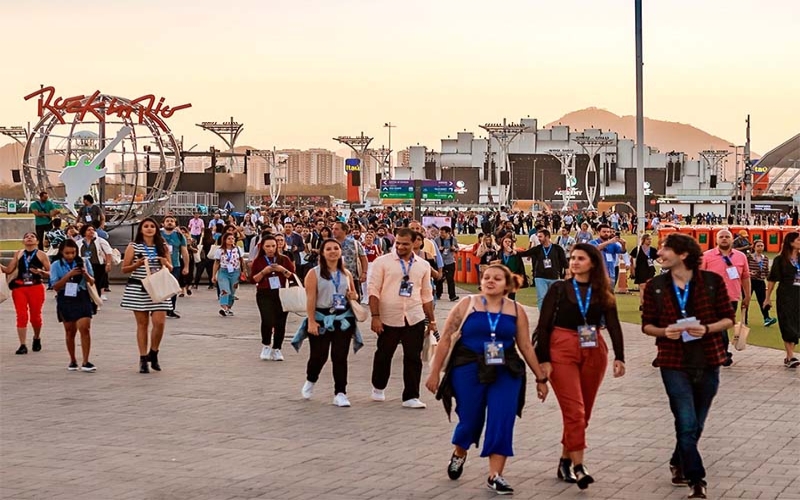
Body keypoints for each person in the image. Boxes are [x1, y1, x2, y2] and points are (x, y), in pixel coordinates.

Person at [425, 264, 549, 495]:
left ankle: (495, 475)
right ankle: (460, 451)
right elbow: (445, 339)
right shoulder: (467, 304)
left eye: (497, 278)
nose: (490, 281)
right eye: (487, 277)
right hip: (468, 367)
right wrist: (434, 373)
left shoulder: (516, 310)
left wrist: (540, 378)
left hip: (506, 369)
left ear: (507, 285)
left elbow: (524, 345)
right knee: (471, 419)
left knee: (502, 418)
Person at [641, 233, 735, 499]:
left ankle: (678, 460)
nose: (660, 253)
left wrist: (706, 328)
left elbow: (728, 318)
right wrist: (662, 332)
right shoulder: (656, 286)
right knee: (685, 420)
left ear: (683, 255)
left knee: (696, 423)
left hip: (708, 359)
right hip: (673, 361)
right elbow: (647, 324)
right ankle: (697, 479)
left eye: (665, 249)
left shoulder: (711, 283)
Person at [533, 243, 625, 490]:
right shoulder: (559, 288)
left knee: (584, 411)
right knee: (575, 410)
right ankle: (579, 466)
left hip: (594, 348)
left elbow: (614, 324)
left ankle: (565, 458)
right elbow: (543, 326)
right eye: (572, 258)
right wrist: (543, 361)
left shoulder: (602, 290)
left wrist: (620, 356)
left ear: (592, 263)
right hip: (562, 347)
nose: (574, 262)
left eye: (580, 258)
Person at [367, 228, 436, 408]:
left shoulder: (423, 265)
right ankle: (378, 386)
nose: (400, 246)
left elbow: (427, 295)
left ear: (415, 243)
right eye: (398, 243)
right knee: (384, 354)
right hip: (389, 316)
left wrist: (432, 321)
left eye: (405, 244)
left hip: (414, 316)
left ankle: (411, 396)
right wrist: (375, 316)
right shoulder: (382, 262)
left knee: (413, 357)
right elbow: (373, 291)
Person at [300, 239, 360, 406]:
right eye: (328, 249)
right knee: (319, 355)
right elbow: (310, 299)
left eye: (336, 248)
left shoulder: (346, 273)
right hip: (321, 316)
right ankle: (311, 379)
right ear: (322, 253)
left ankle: (340, 392)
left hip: (342, 318)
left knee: (340, 356)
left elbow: (354, 294)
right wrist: (311, 321)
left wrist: (352, 296)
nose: (333, 251)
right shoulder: (314, 273)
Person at [120, 217, 173, 374]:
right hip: (139, 288)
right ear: (141, 229)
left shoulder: (162, 246)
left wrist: (165, 262)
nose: (149, 229)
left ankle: (154, 351)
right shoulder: (133, 246)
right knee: (142, 324)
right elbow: (124, 268)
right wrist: (137, 264)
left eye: (152, 226)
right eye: (146, 226)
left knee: (159, 322)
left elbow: (170, 267)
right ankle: (143, 358)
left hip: (159, 288)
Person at [700, 229, 750, 367]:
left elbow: (745, 277)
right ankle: (723, 353)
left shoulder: (740, 257)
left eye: (727, 236)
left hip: (731, 297)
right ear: (716, 240)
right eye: (721, 237)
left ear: (732, 239)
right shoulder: (707, 256)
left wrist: (747, 295)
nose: (724, 239)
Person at [49, 239, 96, 372]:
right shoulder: (56, 265)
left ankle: (86, 361)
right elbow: (55, 286)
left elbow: (92, 281)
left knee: (85, 328)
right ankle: (72, 359)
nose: (70, 256)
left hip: (81, 295)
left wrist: (85, 274)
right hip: (66, 297)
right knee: (70, 331)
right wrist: (69, 275)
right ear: (62, 253)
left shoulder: (83, 262)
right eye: (67, 253)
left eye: (73, 253)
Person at [1, 232, 50, 354]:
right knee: (21, 315)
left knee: (35, 316)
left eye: (32, 236)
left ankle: (36, 337)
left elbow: (50, 272)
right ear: (23, 241)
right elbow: (9, 270)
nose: (29, 238)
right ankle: (22, 344)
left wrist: (40, 272)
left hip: (35, 286)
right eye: (26, 237)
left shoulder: (41, 254)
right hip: (19, 287)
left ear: (37, 241)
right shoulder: (19, 254)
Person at [250, 235, 295, 361]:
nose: (271, 249)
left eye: (273, 246)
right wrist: (265, 271)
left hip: (282, 293)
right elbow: (253, 279)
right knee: (267, 319)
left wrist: (282, 270)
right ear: (262, 247)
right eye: (268, 246)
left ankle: (277, 348)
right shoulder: (258, 261)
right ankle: (266, 345)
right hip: (264, 293)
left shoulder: (284, 259)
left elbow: (293, 277)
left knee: (280, 322)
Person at [764, 231, 800, 368]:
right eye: (798, 239)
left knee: (796, 324)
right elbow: (772, 279)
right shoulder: (780, 259)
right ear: (790, 242)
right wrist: (767, 298)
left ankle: (789, 356)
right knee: (787, 323)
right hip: (786, 294)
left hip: (798, 293)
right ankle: (791, 356)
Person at [518, 229, 568, 311]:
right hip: (540, 277)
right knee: (542, 297)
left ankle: (553, 316)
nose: (538, 239)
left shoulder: (557, 248)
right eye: (538, 237)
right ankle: (543, 317)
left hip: (554, 277)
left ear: (547, 237)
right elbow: (525, 253)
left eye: (540, 237)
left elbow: (564, 262)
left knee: (554, 298)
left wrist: (567, 274)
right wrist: (514, 251)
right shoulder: (538, 248)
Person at [161, 215, 190, 319]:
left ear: (175, 224)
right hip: (159, 265)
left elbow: (184, 251)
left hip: (175, 265)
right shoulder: (158, 234)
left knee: (173, 288)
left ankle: (170, 309)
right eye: (167, 221)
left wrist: (186, 266)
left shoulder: (179, 236)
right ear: (163, 223)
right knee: (160, 287)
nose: (169, 223)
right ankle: (157, 309)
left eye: (172, 221)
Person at [333, 222, 368, 302]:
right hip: (336, 280)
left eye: (336, 229)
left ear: (345, 231)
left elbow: (363, 258)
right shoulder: (330, 244)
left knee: (355, 304)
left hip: (353, 278)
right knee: (339, 307)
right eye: (333, 229)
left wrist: (364, 273)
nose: (333, 231)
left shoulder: (354, 243)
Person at [212, 233, 244, 317]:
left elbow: (241, 260)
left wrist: (243, 271)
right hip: (223, 271)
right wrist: (213, 275)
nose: (231, 240)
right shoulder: (220, 250)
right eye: (229, 238)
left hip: (235, 271)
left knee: (232, 292)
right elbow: (216, 263)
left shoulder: (237, 249)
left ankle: (229, 307)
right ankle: (224, 307)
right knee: (225, 290)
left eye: (232, 238)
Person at [78, 224, 113, 301]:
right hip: (85, 265)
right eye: (89, 230)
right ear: (84, 232)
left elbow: (108, 253)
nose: (91, 231)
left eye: (92, 230)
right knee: (85, 284)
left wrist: (108, 263)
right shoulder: (79, 243)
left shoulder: (100, 241)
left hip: (98, 265)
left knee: (97, 283)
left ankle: (96, 300)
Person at [746, 240, 776, 327]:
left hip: (760, 282)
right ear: (754, 247)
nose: (760, 248)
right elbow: (743, 269)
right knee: (746, 300)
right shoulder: (748, 257)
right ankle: (744, 320)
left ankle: (766, 318)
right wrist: (749, 272)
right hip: (749, 281)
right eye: (758, 246)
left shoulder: (765, 258)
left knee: (763, 300)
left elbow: (766, 271)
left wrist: (771, 278)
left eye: (762, 246)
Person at [630, 233, 659, 307]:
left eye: (650, 239)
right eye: (648, 239)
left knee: (648, 287)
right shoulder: (637, 249)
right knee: (642, 286)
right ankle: (643, 304)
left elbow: (658, 259)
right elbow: (632, 260)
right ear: (643, 240)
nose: (649, 241)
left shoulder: (653, 250)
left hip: (650, 270)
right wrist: (632, 270)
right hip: (640, 270)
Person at [434, 226, 459, 302]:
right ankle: (438, 293)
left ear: (448, 233)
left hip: (450, 261)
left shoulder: (453, 239)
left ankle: (452, 295)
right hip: (440, 262)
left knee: (450, 279)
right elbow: (434, 250)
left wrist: (454, 249)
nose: (441, 234)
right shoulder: (437, 240)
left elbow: (458, 249)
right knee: (439, 279)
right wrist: (439, 249)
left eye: (442, 232)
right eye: (440, 232)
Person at [497, 235, 525, 300]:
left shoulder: (515, 254)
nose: (507, 243)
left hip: (512, 276)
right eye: (505, 241)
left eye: (509, 242)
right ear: (502, 243)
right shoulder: (499, 253)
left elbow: (519, 265)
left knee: (511, 296)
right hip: (502, 276)